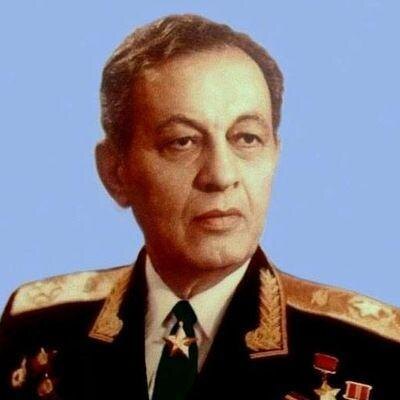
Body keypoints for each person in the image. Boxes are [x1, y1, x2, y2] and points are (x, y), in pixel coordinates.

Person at [0, 14, 399, 400]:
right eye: (182, 142)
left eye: (246, 138)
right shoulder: (41, 327)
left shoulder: (371, 352)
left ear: (275, 156)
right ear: (115, 172)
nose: (221, 175)